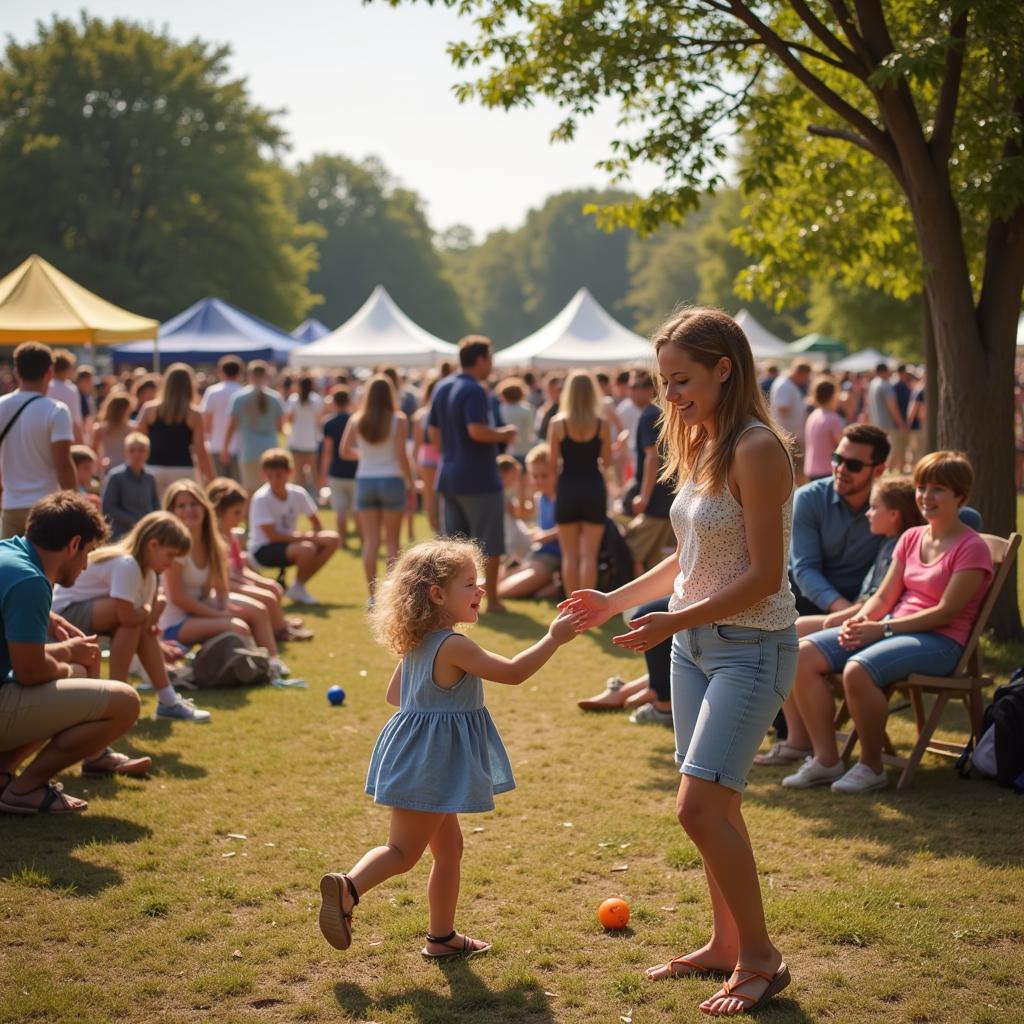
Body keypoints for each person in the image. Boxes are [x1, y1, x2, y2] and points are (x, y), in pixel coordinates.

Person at [564, 307, 798, 1015]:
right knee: (717, 808)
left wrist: (674, 621)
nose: (670, 397)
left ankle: (762, 957)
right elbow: (687, 558)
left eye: (682, 380)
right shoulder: (699, 444)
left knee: (698, 809)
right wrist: (614, 600)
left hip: (751, 648)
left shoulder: (758, 448)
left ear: (724, 369)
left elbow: (763, 574)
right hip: (696, 651)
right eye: (664, 381)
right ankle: (726, 944)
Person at [316, 537, 578, 956]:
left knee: (450, 849)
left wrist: (434, 705)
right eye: (470, 584)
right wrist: (554, 637)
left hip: (422, 756)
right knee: (402, 852)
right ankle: (348, 887)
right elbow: (512, 673)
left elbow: (395, 696)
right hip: (432, 763)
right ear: (437, 594)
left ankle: (442, 938)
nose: (481, 591)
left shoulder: (418, 643)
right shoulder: (454, 645)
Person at [784, 451, 993, 793]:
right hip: (893, 629)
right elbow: (883, 597)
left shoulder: (972, 547)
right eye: (922, 487)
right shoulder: (911, 538)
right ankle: (826, 760)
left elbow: (946, 612)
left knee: (857, 670)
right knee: (799, 653)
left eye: (938, 489)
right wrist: (860, 621)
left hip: (942, 642)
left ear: (961, 496)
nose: (926, 496)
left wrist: (881, 628)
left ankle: (871, 766)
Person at [755, 476, 923, 767]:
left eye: (874, 508)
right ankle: (797, 737)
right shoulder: (887, 545)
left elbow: (883, 603)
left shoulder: (898, 548)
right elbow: (870, 600)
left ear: (894, 515)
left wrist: (845, 617)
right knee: (780, 631)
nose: (868, 514)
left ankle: (804, 741)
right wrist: (844, 614)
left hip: (874, 625)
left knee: (790, 639)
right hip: (863, 616)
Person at [0, 493, 143, 813]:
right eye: (88, 552)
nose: (85, 565)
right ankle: (24, 790)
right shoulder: (29, 580)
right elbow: (31, 672)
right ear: (73, 543)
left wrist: (51, 620)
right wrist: (70, 654)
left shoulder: (8, 553)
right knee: (125, 702)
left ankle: (3, 774)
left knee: (78, 678)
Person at [51, 511, 206, 721]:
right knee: (131, 620)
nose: (171, 564)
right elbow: (128, 617)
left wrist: (155, 618)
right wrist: (152, 609)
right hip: (62, 617)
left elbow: (146, 626)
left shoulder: (149, 573)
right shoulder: (128, 565)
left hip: (89, 616)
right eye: (170, 554)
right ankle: (120, 698)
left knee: (135, 623)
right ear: (153, 545)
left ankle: (164, 700)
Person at [161, 480, 279, 695]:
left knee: (259, 610)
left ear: (204, 507)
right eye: (181, 506)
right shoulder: (175, 547)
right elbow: (178, 598)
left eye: (193, 504)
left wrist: (223, 606)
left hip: (203, 610)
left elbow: (221, 586)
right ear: (172, 512)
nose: (189, 510)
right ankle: (252, 667)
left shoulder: (214, 542)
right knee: (237, 626)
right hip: (175, 621)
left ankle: (273, 663)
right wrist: (219, 614)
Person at [428, 337, 518, 614]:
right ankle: (493, 601)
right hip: (479, 478)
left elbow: (433, 432)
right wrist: (505, 434)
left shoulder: (442, 387)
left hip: (449, 474)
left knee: (453, 550)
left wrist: (451, 453)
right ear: (479, 360)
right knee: (489, 544)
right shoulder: (476, 391)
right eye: (489, 358)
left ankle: (447, 603)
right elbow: (476, 430)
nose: (491, 364)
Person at [790, 424, 891, 617]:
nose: (841, 469)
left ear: (878, 471)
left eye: (854, 465)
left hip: (862, 604)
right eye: (837, 459)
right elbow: (805, 569)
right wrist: (845, 613)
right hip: (807, 599)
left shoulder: (891, 508)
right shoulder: (808, 498)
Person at [206, 477, 313, 642]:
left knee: (273, 587)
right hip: (226, 586)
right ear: (219, 511)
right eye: (236, 512)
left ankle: (279, 623)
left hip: (236, 579)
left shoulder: (232, 535)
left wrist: (257, 582)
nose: (241, 518)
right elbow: (221, 579)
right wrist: (250, 585)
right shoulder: (215, 540)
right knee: (267, 596)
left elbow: (241, 569)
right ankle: (281, 632)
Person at [341, 375, 415, 603]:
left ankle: (372, 596)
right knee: (393, 541)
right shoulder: (398, 419)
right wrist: (411, 481)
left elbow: (344, 451)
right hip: (391, 480)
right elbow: (401, 455)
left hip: (365, 481)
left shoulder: (357, 419)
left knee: (371, 541)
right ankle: (393, 595)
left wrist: (365, 456)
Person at [0, 342, 76, 539]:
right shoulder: (56, 410)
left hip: (11, 505)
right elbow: (64, 466)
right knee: (44, 569)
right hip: (46, 509)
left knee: (9, 569)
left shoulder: (1, 407)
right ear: (50, 372)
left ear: (17, 371)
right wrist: (75, 506)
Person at [247, 449, 339, 606]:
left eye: (279, 475)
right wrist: (308, 537)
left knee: (332, 539)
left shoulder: (298, 493)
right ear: (264, 476)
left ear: (290, 472)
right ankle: (299, 587)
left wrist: (316, 536)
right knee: (307, 548)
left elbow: (317, 524)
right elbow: (272, 536)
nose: (275, 480)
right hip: (262, 549)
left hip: (290, 543)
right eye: (271, 476)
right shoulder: (261, 498)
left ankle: (298, 586)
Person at [549, 371, 612, 596]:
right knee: (589, 556)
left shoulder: (558, 424)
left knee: (570, 556)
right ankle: (587, 609)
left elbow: (551, 464)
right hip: (594, 488)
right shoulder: (601, 424)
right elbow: (607, 461)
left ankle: (570, 610)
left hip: (567, 488)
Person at [135, 362, 214, 498]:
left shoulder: (149, 409)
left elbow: (137, 441)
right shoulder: (194, 414)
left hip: (153, 468)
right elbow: (200, 451)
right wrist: (212, 479)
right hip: (183, 469)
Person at [623, 371, 675, 576]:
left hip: (656, 499)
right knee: (657, 557)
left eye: (635, 387)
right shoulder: (661, 412)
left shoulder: (649, 415)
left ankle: (636, 606)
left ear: (648, 390)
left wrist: (644, 496)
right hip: (668, 495)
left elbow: (652, 457)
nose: (631, 392)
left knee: (635, 552)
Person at [496, 443, 562, 600]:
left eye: (544, 476)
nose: (539, 480)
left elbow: (567, 529)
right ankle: (546, 587)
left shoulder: (562, 498)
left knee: (503, 591)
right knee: (494, 583)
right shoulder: (540, 498)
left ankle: (554, 585)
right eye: (535, 476)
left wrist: (544, 536)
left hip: (553, 558)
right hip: (537, 555)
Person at [223, 361, 286, 493]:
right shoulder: (275, 398)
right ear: (266, 375)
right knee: (271, 491)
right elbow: (280, 427)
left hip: (248, 450)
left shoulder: (239, 398)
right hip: (270, 451)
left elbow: (232, 426)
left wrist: (225, 448)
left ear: (249, 375)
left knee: (250, 491)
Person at [101, 432, 160, 540]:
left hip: (146, 532)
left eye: (141, 450)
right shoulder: (115, 476)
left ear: (148, 453)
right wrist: (132, 520)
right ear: (125, 453)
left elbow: (156, 504)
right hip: (121, 533)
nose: (137, 454)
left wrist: (152, 521)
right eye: (132, 450)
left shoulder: (150, 477)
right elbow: (108, 506)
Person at [319, 386, 359, 545]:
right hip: (355, 469)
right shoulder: (356, 420)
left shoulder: (328, 422)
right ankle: (361, 537)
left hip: (336, 471)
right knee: (356, 509)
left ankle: (342, 540)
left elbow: (327, 451)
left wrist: (323, 473)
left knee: (340, 509)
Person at [201, 355, 244, 479]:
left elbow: (207, 421)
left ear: (221, 371)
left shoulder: (212, 392)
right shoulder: (242, 392)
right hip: (239, 447)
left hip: (216, 445)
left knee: (219, 486)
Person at [411, 377, 442, 534]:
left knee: (429, 497)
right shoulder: (445, 411)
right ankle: (441, 529)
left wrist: (416, 464)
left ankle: (435, 529)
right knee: (441, 497)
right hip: (442, 457)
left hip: (427, 459)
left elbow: (417, 444)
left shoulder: (420, 415)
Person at [286, 375, 324, 497]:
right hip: (311, 441)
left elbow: (289, 419)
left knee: (298, 473)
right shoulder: (317, 400)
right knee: (314, 471)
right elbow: (319, 420)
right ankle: (318, 495)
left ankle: (300, 496)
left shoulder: (293, 399)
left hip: (296, 440)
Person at [802, 379, 846, 481]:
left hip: (810, 470)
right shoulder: (833, 418)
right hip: (827, 472)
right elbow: (841, 447)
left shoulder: (813, 415)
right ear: (833, 396)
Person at [865, 364, 905, 470]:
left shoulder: (873, 383)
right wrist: (900, 423)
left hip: (876, 422)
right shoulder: (886, 385)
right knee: (892, 449)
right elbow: (892, 405)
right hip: (887, 424)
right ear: (885, 371)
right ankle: (888, 470)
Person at [769, 360, 811, 460]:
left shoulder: (788, 384)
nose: (805, 380)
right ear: (800, 373)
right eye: (805, 377)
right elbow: (782, 409)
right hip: (787, 437)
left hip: (791, 436)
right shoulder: (784, 385)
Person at [497, 454, 533, 565]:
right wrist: (522, 488)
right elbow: (521, 513)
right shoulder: (499, 494)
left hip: (514, 541)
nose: (516, 479)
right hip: (512, 544)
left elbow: (526, 511)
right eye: (516, 475)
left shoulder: (503, 495)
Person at [48, 348, 85, 444]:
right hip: (66, 436)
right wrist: (81, 443)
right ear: (67, 369)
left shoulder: (46, 386)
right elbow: (76, 421)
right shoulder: (71, 389)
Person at [91, 392, 133, 476]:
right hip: (123, 467)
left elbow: (93, 451)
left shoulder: (100, 429)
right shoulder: (131, 428)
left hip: (109, 467)